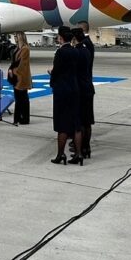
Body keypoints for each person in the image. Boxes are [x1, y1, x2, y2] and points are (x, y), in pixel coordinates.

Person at [49, 26, 83, 165]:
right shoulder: (76, 51)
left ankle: (60, 154)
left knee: (62, 124)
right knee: (76, 124)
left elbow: (56, 71)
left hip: (62, 90)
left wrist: (52, 78)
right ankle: (78, 155)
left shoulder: (60, 52)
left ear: (61, 38)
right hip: (74, 89)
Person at [74, 23, 96, 158]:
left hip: (81, 87)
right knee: (87, 120)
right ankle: (85, 147)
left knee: (82, 120)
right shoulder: (87, 45)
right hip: (87, 86)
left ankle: (82, 147)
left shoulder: (82, 47)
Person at [9, 32, 33, 125]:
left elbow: (22, 64)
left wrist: (13, 71)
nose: (15, 38)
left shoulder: (25, 48)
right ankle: (19, 118)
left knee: (22, 98)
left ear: (21, 37)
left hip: (21, 76)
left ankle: (24, 118)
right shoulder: (17, 48)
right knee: (19, 98)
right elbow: (14, 61)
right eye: (14, 36)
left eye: (16, 36)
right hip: (16, 75)